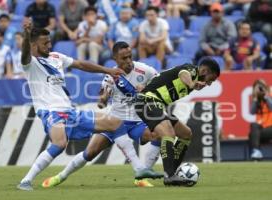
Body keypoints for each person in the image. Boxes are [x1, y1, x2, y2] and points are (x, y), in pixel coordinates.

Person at [16, 18, 132, 191]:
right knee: (60, 143)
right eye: (45, 43)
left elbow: (81, 64)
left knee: (115, 123)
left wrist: (107, 70)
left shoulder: (56, 57)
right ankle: (26, 181)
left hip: (70, 112)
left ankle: (138, 168)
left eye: (50, 42)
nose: (49, 46)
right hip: (51, 112)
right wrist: (26, 36)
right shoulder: (29, 63)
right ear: (34, 45)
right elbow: (25, 53)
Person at [40, 41, 163, 188]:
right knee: (89, 153)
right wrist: (103, 99)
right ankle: (60, 176)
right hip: (114, 123)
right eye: (124, 58)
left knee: (158, 135)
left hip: (136, 121)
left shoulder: (144, 70)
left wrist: (146, 87)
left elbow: (161, 82)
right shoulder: (111, 75)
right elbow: (104, 96)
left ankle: (142, 175)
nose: (129, 61)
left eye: (130, 56)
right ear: (115, 59)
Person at [134, 57, 220, 185]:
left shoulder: (195, 77)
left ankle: (172, 172)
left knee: (186, 134)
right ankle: (169, 176)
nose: (209, 84)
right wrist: (191, 84)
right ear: (204, 71)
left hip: (158, 104)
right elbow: (182, 74)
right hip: (148, 101)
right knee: (168, 134)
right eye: (210, 80)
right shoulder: (191, 70)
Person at [249, 79, 272, 160]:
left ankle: (256, 152)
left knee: (253, 135)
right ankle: (256, 152)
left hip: (271, 127)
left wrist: (266, 97)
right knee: (253, 126)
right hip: (262, 129)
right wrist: (255, 98)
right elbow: (252, 112)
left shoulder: (270, 96)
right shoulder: (256, 100)